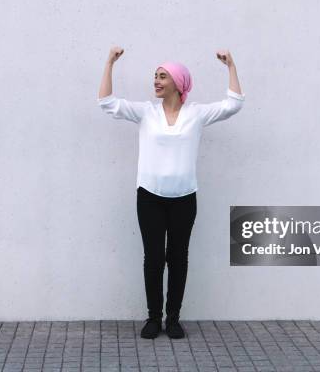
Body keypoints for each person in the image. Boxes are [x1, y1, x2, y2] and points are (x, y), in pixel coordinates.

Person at [96, 46, 245, 339]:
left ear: (178, 82)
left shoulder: (197, 114)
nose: (156, 81)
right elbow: (106, 102)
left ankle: (173, 318)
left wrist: (231, 66)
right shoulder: (146, 112)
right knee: (153, 259)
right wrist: (109, 63)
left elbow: (234, 104)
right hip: (149, 197)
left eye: (162, 76)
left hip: (184, 198)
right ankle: (153, 318)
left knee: (178, 258)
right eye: (155, 76)